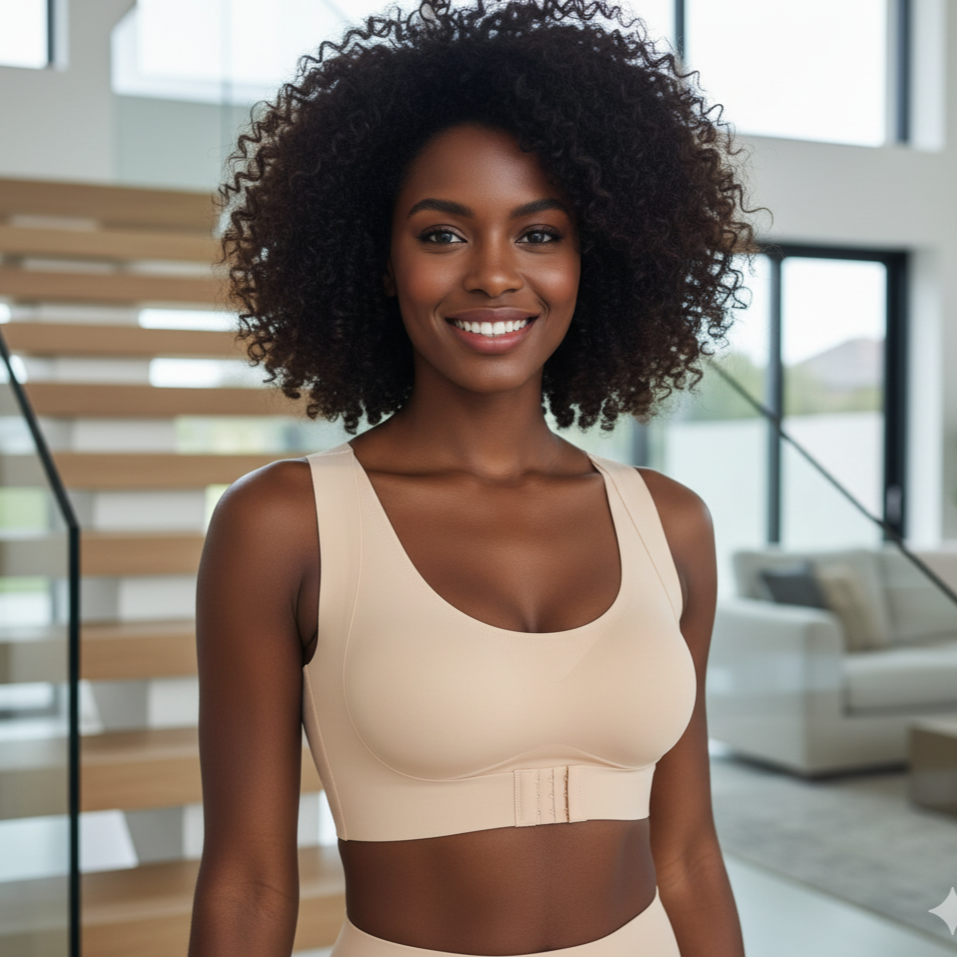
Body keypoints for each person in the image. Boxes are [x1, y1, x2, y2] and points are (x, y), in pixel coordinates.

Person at [189, 2, 754, 955]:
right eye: (443, 235)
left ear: (592, 258)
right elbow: (246, 883)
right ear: (379, 261)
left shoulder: (670, 524)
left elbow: (690, 853)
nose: (495, 275)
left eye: (538, 234)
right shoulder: (285, 524)